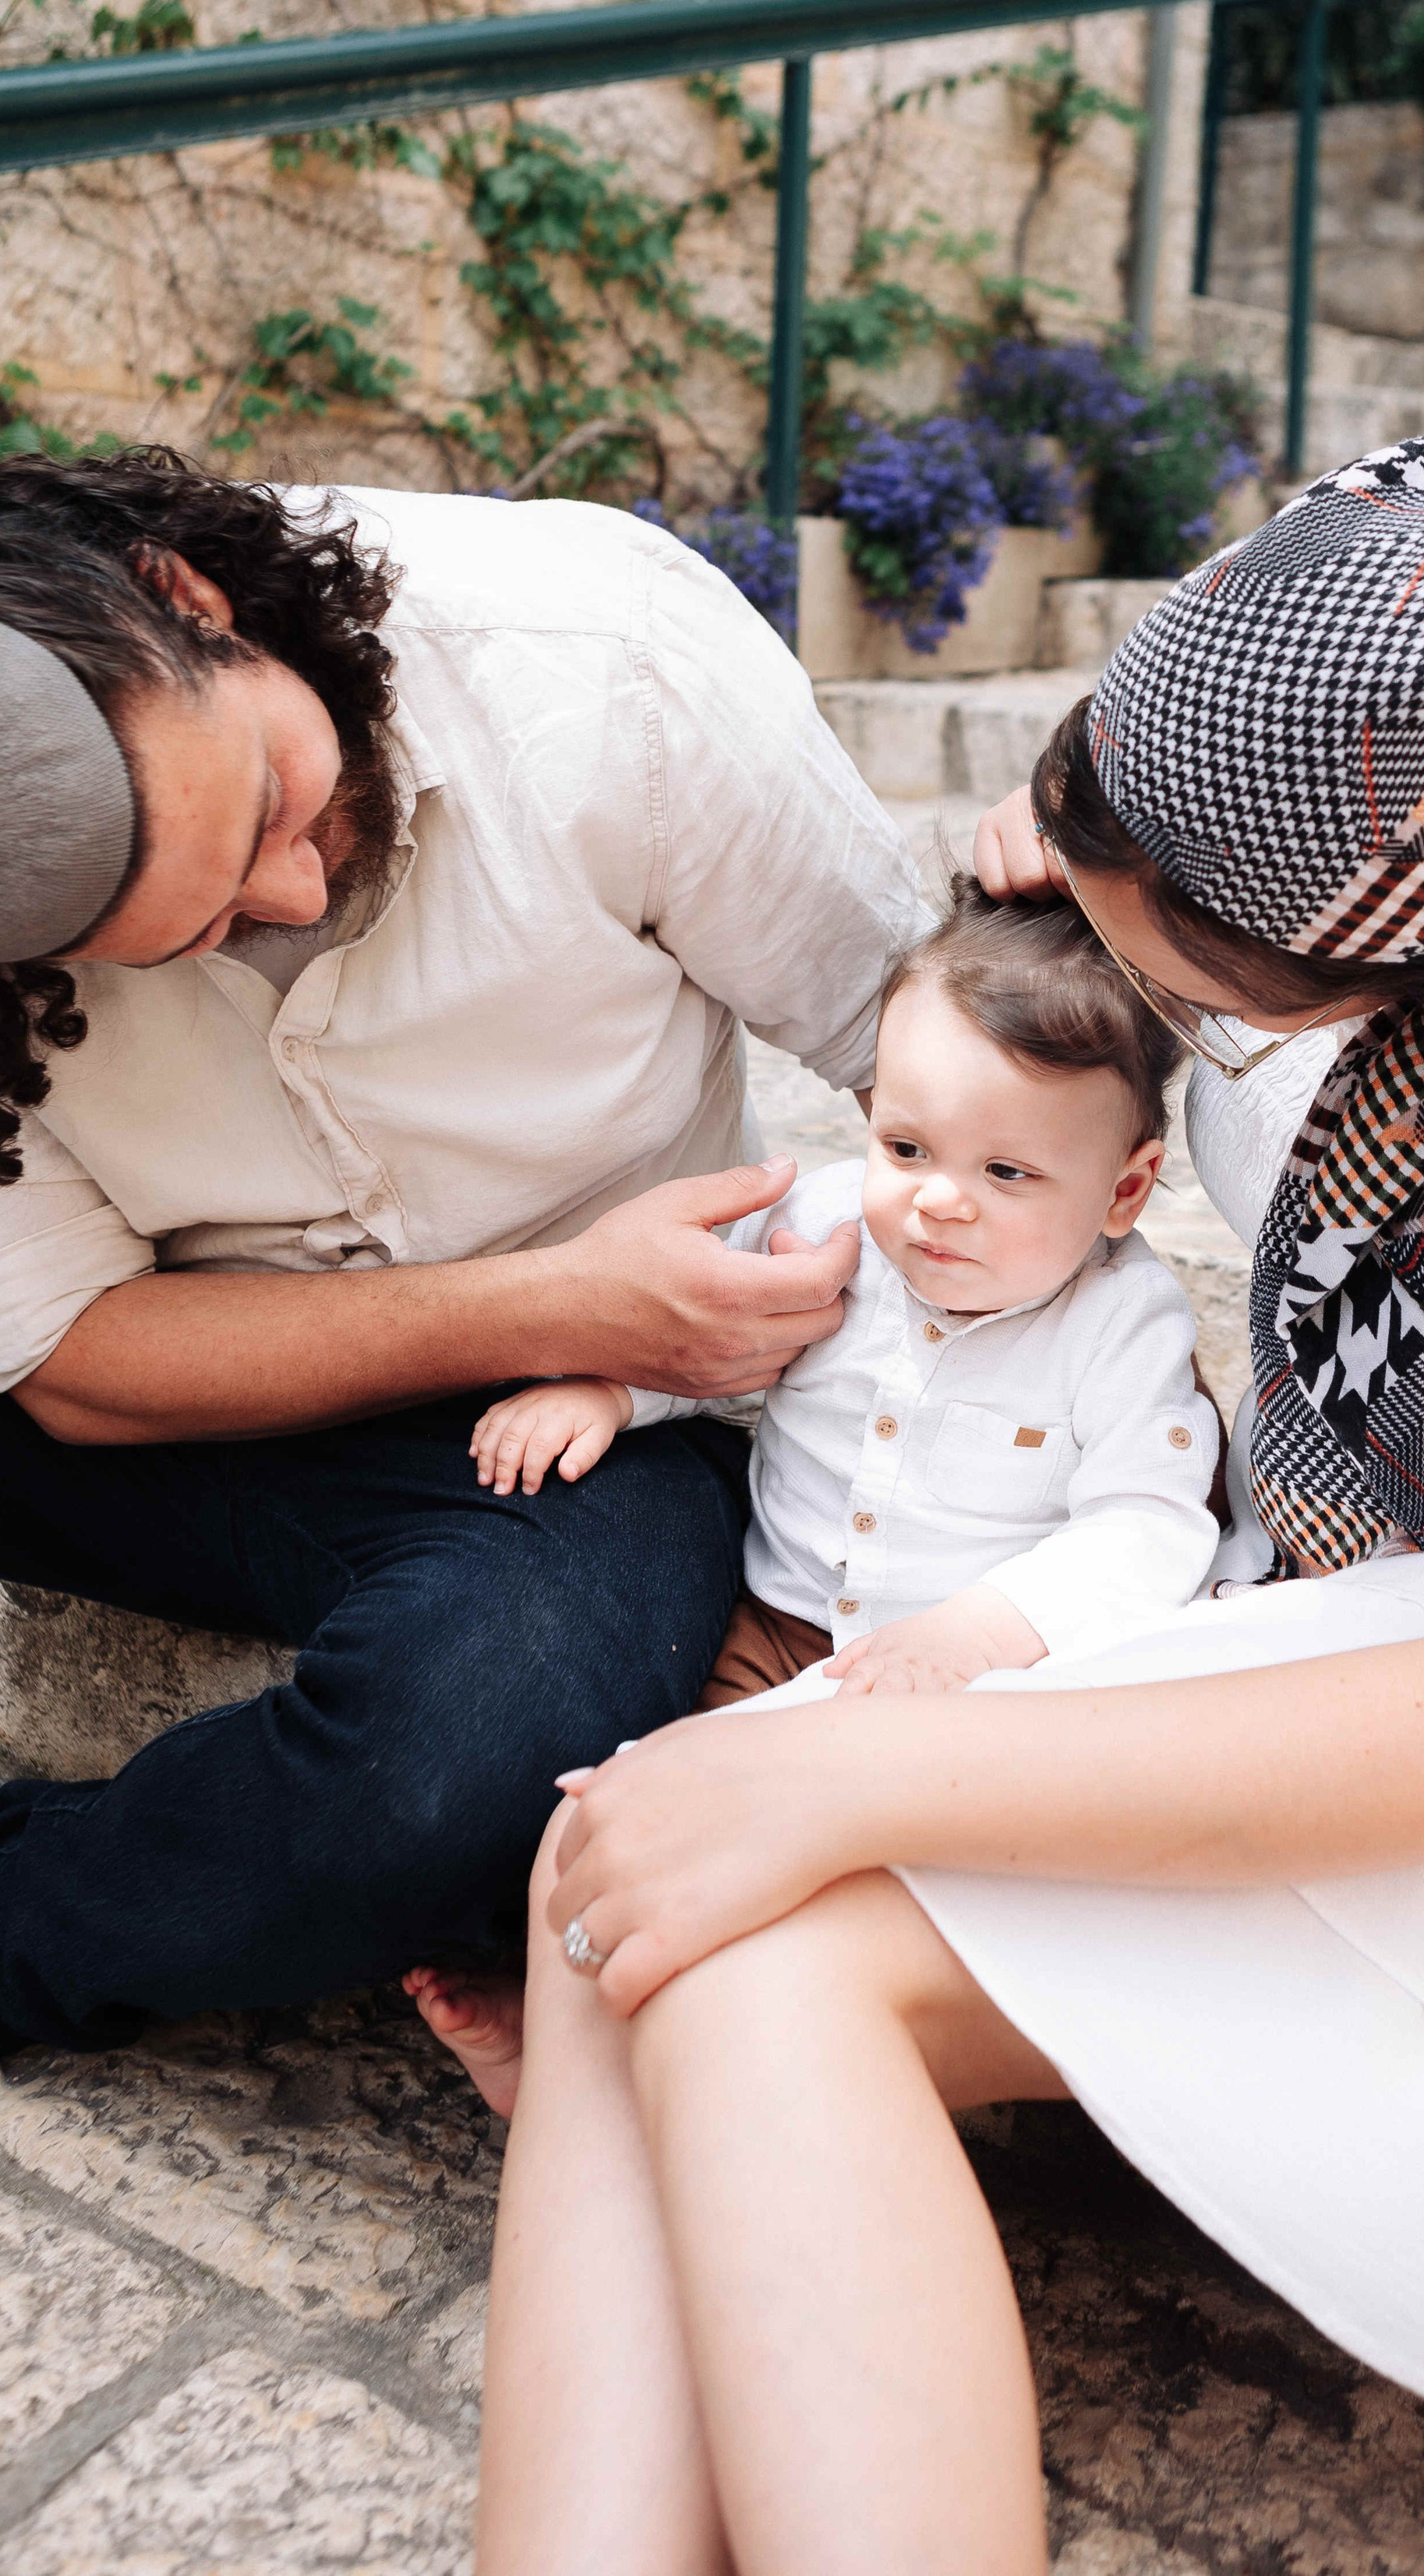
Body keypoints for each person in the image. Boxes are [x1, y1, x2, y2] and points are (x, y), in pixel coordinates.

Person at [470, 432, 1424, 2572]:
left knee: (749, 1942)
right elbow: (1238, 775)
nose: (1183, 1044)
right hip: (1393, 1622)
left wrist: (850, 1780)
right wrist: (1112, 824)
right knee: (610, 1863)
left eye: (1185, 1009)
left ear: (1346, 937)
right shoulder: (1411, 739)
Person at [0, 451, 925, 2066]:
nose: (292, 884)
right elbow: (59, 1354)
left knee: (450, 1756)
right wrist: (545, 1295)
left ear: (187, 599)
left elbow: (939, 1064)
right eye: (182, 939)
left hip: (588, 1427)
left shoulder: (601, 663)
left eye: (260, 801)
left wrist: (880, 1547)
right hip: (184, 1396)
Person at [410, 877, 1221, 2103]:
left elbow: (1151, 1525)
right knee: (621, 1796)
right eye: (907, 1147)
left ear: (1123, 1188)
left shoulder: (1120, 1324)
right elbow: (716, 1342)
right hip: (781, 1632)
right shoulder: (837, 1232)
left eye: (1006, 1171)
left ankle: (721, 2058)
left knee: (841, 1876)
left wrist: (979, 1632)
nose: (938, 1200)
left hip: (978, 1685)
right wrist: (614, 1394)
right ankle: (563, 2031)